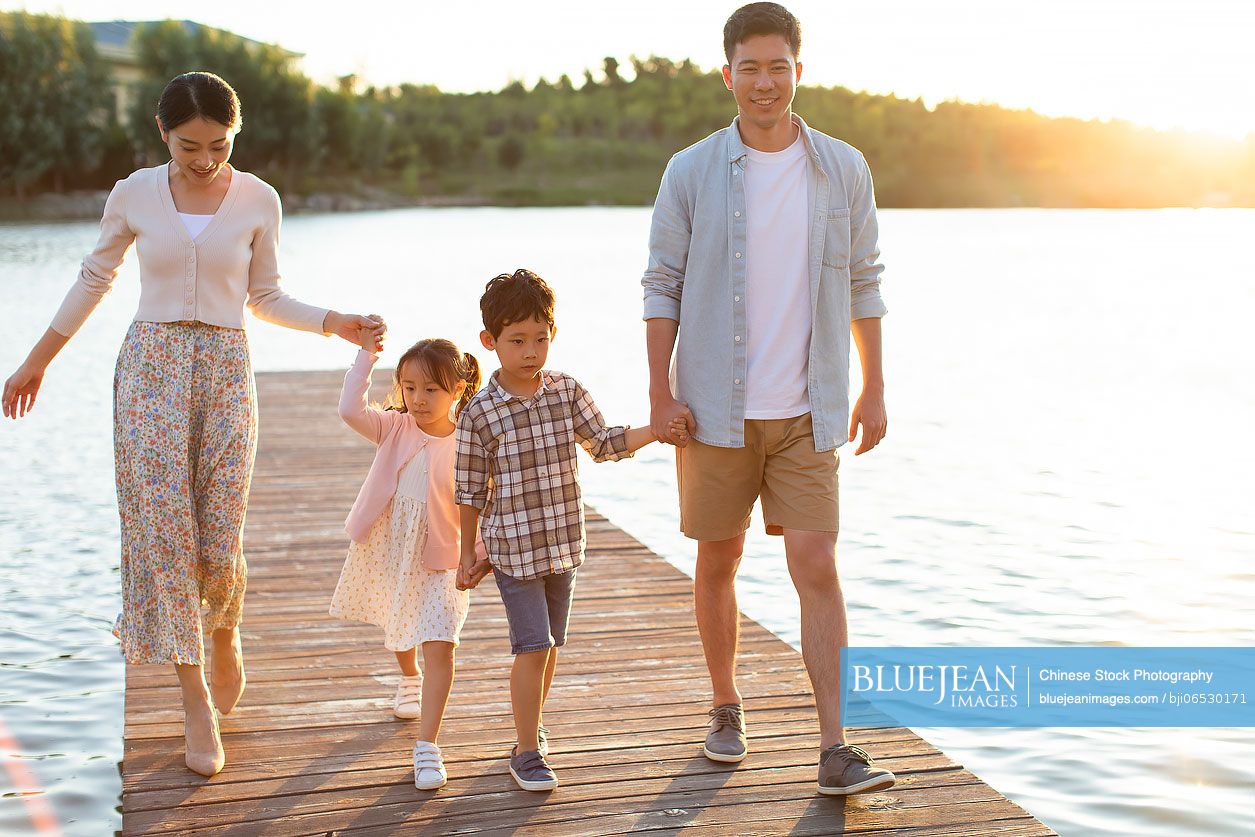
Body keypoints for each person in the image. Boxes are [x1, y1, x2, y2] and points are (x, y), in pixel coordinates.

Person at [1, 72, 385, 778]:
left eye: (218, 145)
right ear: (162, 132)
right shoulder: (133, 194)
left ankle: (226, 631)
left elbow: (265, 293)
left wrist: (336, 323)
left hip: (226, 368)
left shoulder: (259, 199)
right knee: (163, 530)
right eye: (188, 147)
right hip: (149, 369)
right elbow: (95, 276)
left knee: (220, 525)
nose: (204, 160)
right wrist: (37, 361)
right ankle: (192, 695)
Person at [642, 3, 895, 795]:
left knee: (815, 562)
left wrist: (874, 384)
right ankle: (725, 704)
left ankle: (833, 747)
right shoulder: (690, 170)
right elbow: (662, 283)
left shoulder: (843, 168)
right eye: (748, 67)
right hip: (713, 406)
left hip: (810, 408)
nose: (763, 81)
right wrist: (659, 392)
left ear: (797, 71)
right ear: (728, 75)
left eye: (776, 66)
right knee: (718, 557)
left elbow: (864, 279)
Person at [454, 269, 669, 792]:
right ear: (490, 342)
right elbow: (467, 490)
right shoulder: (480, 412)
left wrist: (657, 431)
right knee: (532, 646)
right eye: (516, 341)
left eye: (540, 338)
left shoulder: (566, 391)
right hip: (514, 551)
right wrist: (467, 553)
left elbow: (605, 443)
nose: (530, 351)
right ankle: (526, 751)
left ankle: (533, 731)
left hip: (563, 544)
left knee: (549, 647)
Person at [329, 333, 485, 790]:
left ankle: (427, 746)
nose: (417, 399)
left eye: (431, 389)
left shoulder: (471, 443)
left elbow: (488, 501)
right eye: (409, 387)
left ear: (457, 389)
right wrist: (367, 355)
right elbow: (349, 409)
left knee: (441, 639)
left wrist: (480, 555)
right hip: (390, 545)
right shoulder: (394, 427)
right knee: (398, 621)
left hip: (444, 556)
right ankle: (408, 678)